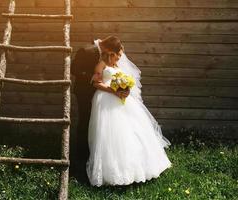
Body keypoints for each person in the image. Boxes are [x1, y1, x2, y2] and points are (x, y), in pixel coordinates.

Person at [86, 39, 172, 186]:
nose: (120, 57)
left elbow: (122, 81)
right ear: (111, 53)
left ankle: (138, 166)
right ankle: (112, 172)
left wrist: (124, 90)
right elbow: (95, 83)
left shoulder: (117, 65)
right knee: (111, 133)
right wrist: (113, 91)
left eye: (121, 55)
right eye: (118, 55)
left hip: (121, 100)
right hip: (106, 100)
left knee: (131, 130)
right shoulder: (102, 64)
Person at [70, 36, 124, 181]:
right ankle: (81, 155)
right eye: (112, 53)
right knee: (85, 122)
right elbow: (73, 68)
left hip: (102, 95)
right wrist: (92, 77)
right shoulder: (86, 50)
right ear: (107, 48)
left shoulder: (106, 53)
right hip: (85, 93)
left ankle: (97, 152)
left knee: (101, 125)